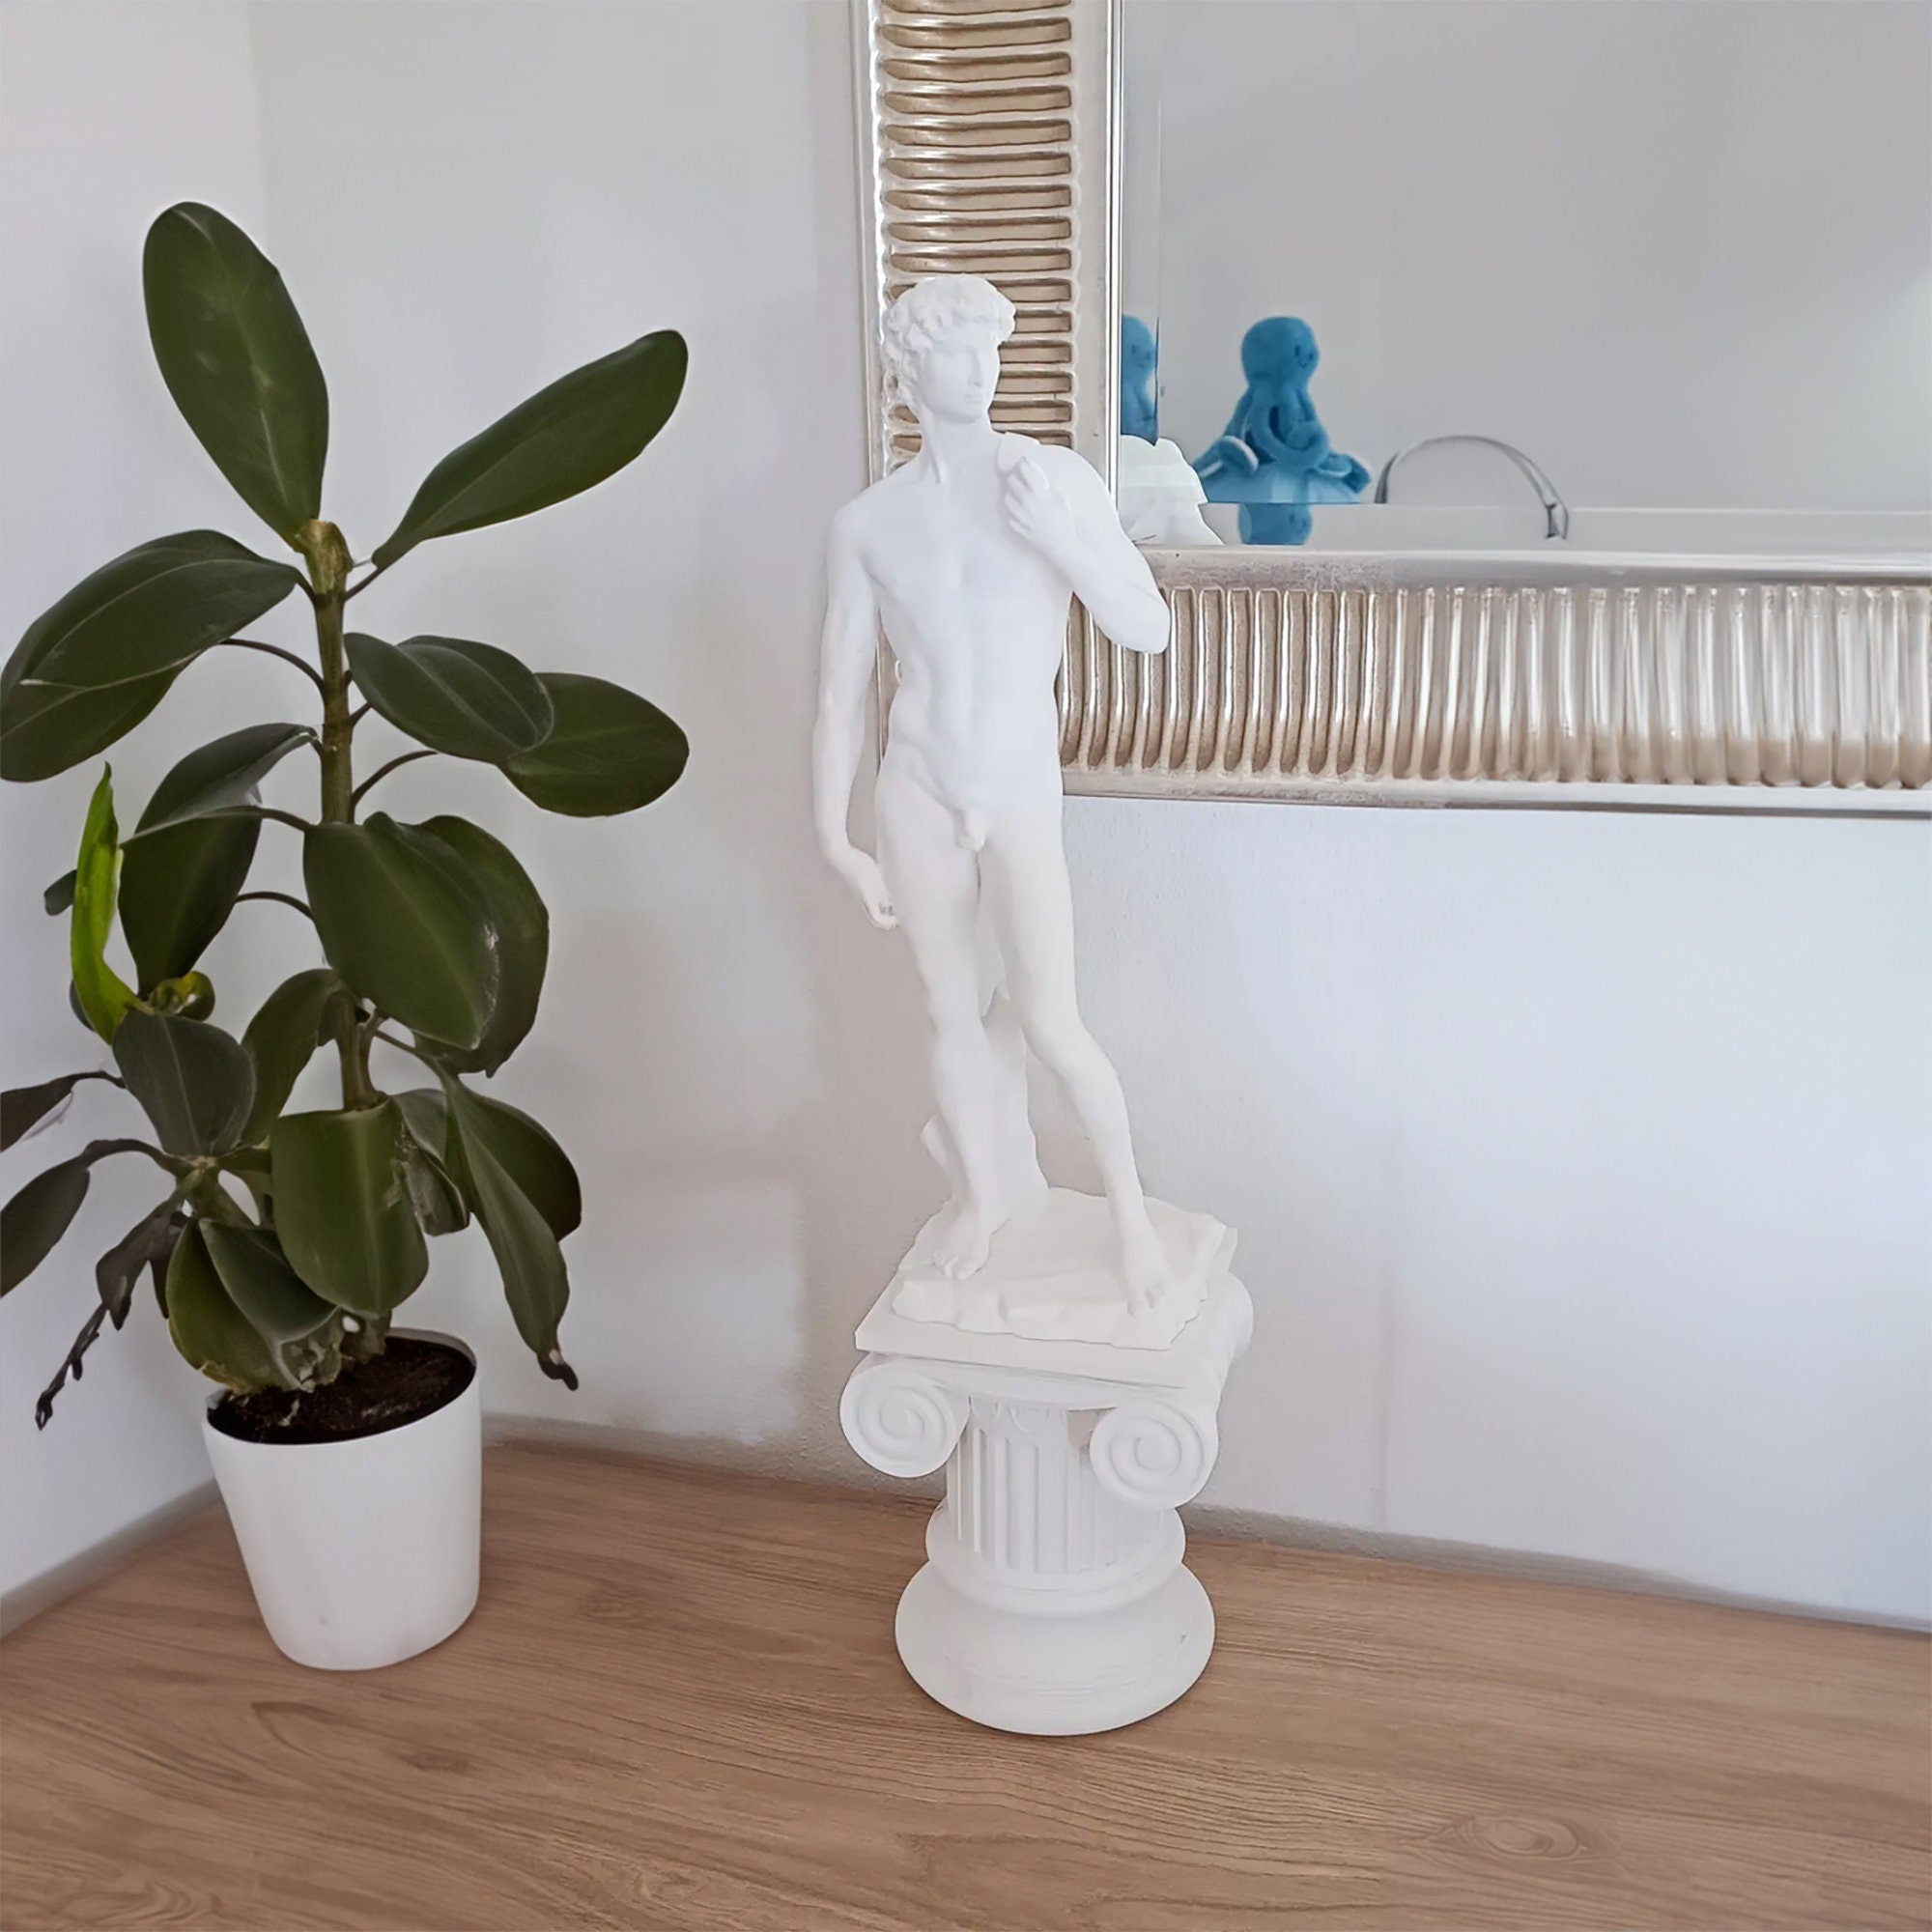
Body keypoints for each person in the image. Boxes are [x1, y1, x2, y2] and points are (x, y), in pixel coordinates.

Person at [814, 275, 1176, 1306]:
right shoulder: (868, 522)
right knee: (944, 1009)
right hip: (917, 779)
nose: (980, 371)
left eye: (989, 351)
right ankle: (981, 1190)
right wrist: (834, 837)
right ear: (909, 370)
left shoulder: (1048, 479)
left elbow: (1145, 626)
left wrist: (1060, 541)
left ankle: (1132, 1215)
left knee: (1051, 1017)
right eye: (957, 353)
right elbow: (840, 693)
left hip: (1014, 781)